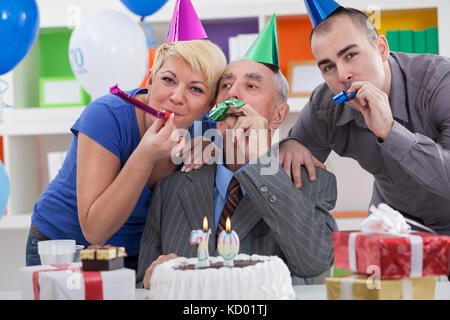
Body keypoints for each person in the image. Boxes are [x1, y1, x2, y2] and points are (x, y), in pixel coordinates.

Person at [26, 39, 227, 270]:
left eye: (195, 89)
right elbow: (95, 231)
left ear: (209, 104)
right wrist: (144, 156)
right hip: (66, 250)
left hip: (140, 255)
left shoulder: (207, 130)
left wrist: (218, 149)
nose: (177, 97)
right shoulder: (105, 116)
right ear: (150, 80)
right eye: (168, 80)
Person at [136, 58, 338, 288]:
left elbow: (316, 262)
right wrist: (156, 277)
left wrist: (260, 162)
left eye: (251, 86)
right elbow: (143, 282)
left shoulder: (310, 181)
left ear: (278, 115)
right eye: (225, 86)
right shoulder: (170, 188)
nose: (233, 94)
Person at [279, 5, 450, 234]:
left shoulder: (440, 82)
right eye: (328, 67)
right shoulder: (324, 107)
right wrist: (289, 144)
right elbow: (281, 187)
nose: (342, 75)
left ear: (381, 49)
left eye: (350, 55)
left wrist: (390, 132)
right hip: (393, 229)